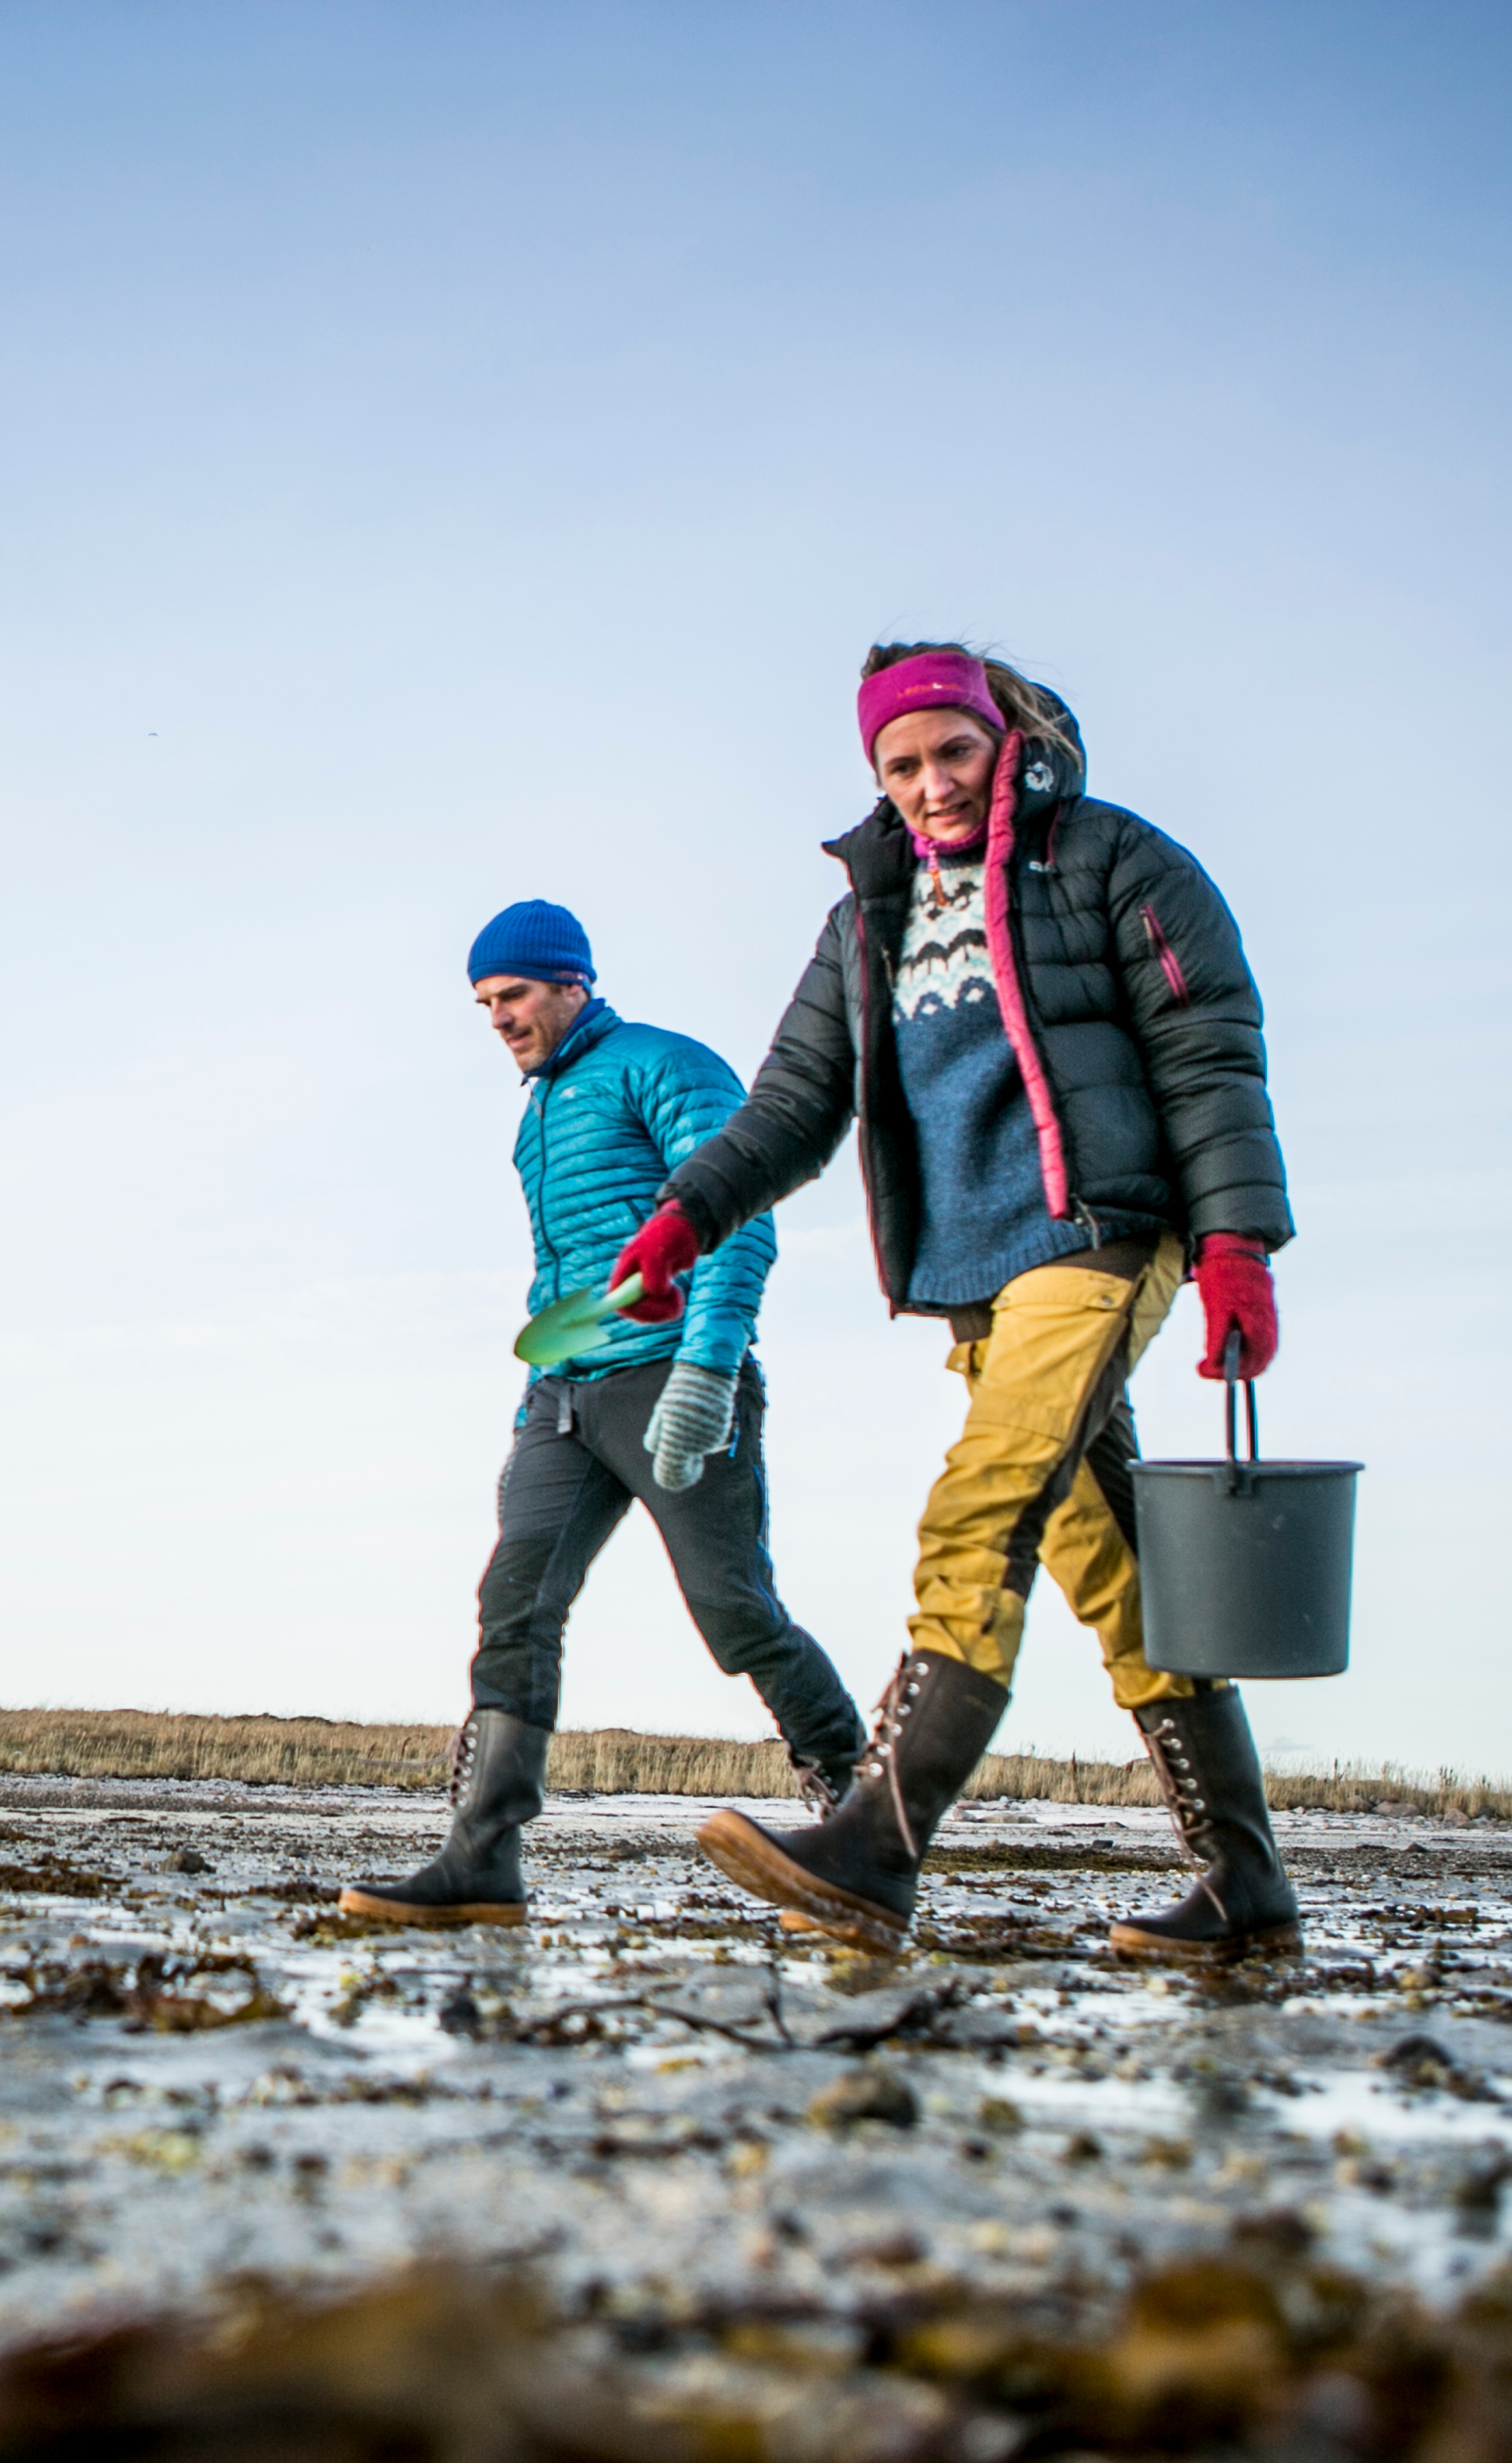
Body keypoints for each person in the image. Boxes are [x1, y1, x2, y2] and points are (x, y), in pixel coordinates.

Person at [605, 649, 1300, 1966]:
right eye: (900, 764)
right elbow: (796, 1104)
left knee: (978, 1512)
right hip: (975, 1283)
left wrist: (1234, 1247)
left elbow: (1209, 1052)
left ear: (1004, 742)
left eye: (952, 754)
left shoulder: (1110, 862)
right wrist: (689, 1211)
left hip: (1094, 1241)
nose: (930, 785)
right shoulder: (868, 914)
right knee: (1118, 1573)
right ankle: (1244, 1889)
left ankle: (876, 1844)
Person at [339, 900, 863, 1927]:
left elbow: (735, 1216)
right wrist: (544, 1373)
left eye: (515, 994)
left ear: (572, 981)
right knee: (516, 1600)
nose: (498, 1018)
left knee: (734, 1609)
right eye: (484, 1002)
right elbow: (566, 1271)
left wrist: (708, 1369)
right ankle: (482, 1856)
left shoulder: (662, 1064)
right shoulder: (535, 1113)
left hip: (672, 1376)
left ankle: (858, 1810)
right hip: (565, 1396)